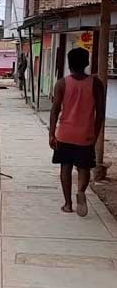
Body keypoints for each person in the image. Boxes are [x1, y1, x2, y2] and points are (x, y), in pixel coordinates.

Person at [49, 47, 105, 217]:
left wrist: (52, 133)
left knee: (65, 167)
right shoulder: (96, 84)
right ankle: (81, 190)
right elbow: (100, 113)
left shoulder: (62, 83)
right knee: (84, 167)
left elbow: (55, 110)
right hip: (85, 134)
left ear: (69, 63)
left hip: (65, 133)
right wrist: (94, 135)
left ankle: (67, 204)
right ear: (87, 62)